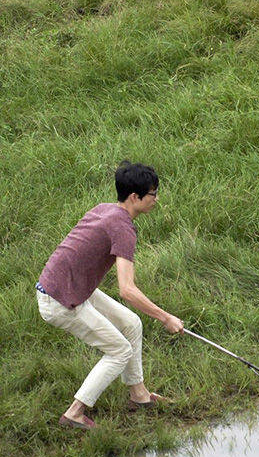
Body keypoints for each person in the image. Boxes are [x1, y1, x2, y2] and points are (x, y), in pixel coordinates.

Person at [36, 161, 183, 431]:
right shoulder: (123, 228)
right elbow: (127, 290)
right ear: (134, 197)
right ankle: (74, 413)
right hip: (60, 299)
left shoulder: (106, 209)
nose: (156, 199)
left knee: (131, 324)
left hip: (70, 286)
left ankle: (138, 395)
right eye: (152, 194)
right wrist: (166, 318)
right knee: (119, 350)